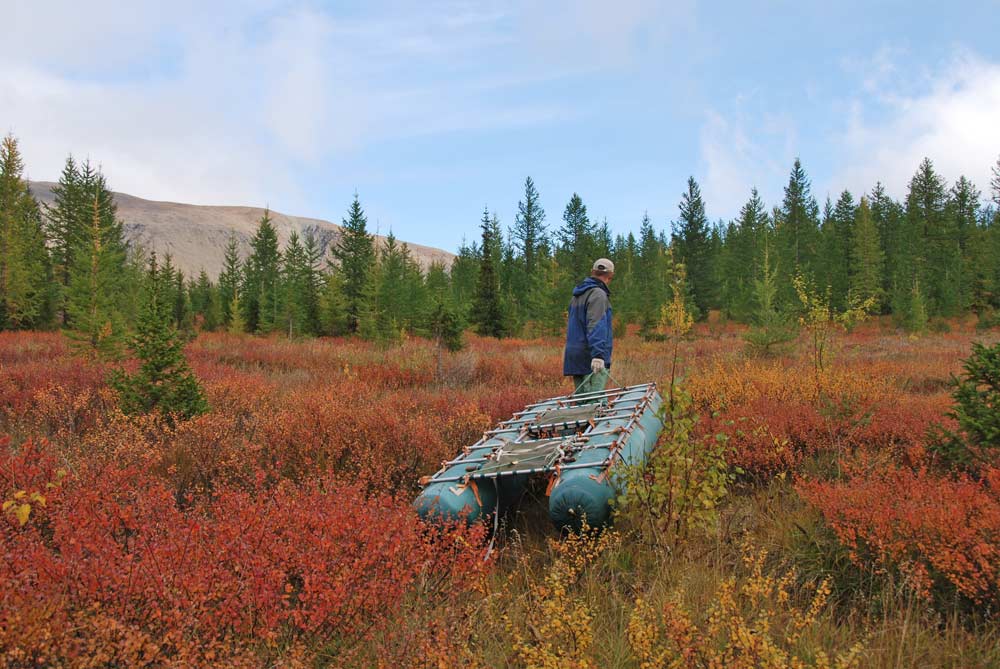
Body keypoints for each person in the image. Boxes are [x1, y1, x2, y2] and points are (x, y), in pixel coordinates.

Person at [563, 258, 614, 392]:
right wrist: (598, 355)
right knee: (594, 404)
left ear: (593, 272)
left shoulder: (576, 296)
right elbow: (596, 325)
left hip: (575, 356)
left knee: (582, 404)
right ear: (610, 276)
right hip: (590, 358)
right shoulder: (598, 294)